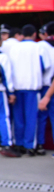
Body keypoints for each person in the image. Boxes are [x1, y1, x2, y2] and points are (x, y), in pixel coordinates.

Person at [9, 24, 51, 155]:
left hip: (17, 87)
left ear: (22, 34)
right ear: (34, 34)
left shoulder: (14, 47)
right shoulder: (38, 47)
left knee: (18, 118)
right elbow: (46, 66)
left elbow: (9, 66)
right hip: (33, 88)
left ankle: (19, 143)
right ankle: (30, 145)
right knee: (32, 118)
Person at [36, 22, 54, 155]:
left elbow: (42, 66)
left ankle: (40, 145)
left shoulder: (42, 45)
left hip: (46, 86)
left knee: (42, 117)